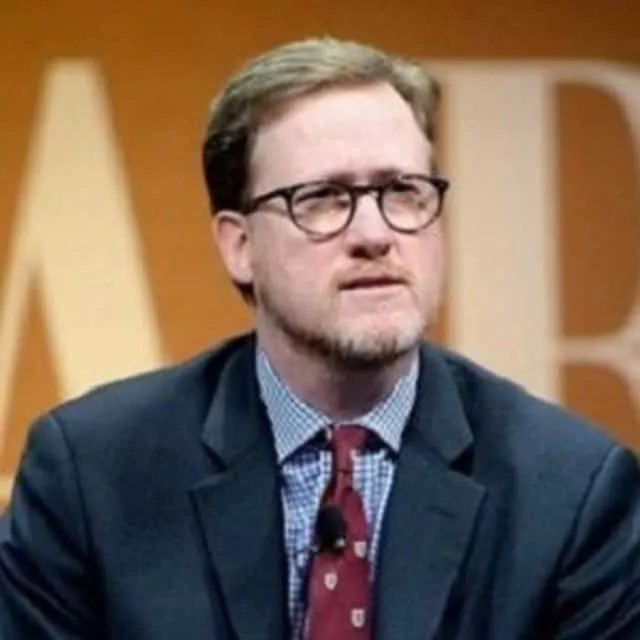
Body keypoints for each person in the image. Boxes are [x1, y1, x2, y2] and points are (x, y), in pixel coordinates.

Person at [1, 36, 639, 640]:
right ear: (239, 245)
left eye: (403, 191)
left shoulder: (573, 494)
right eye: (325, 198)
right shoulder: (92, 477)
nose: (375, 234)